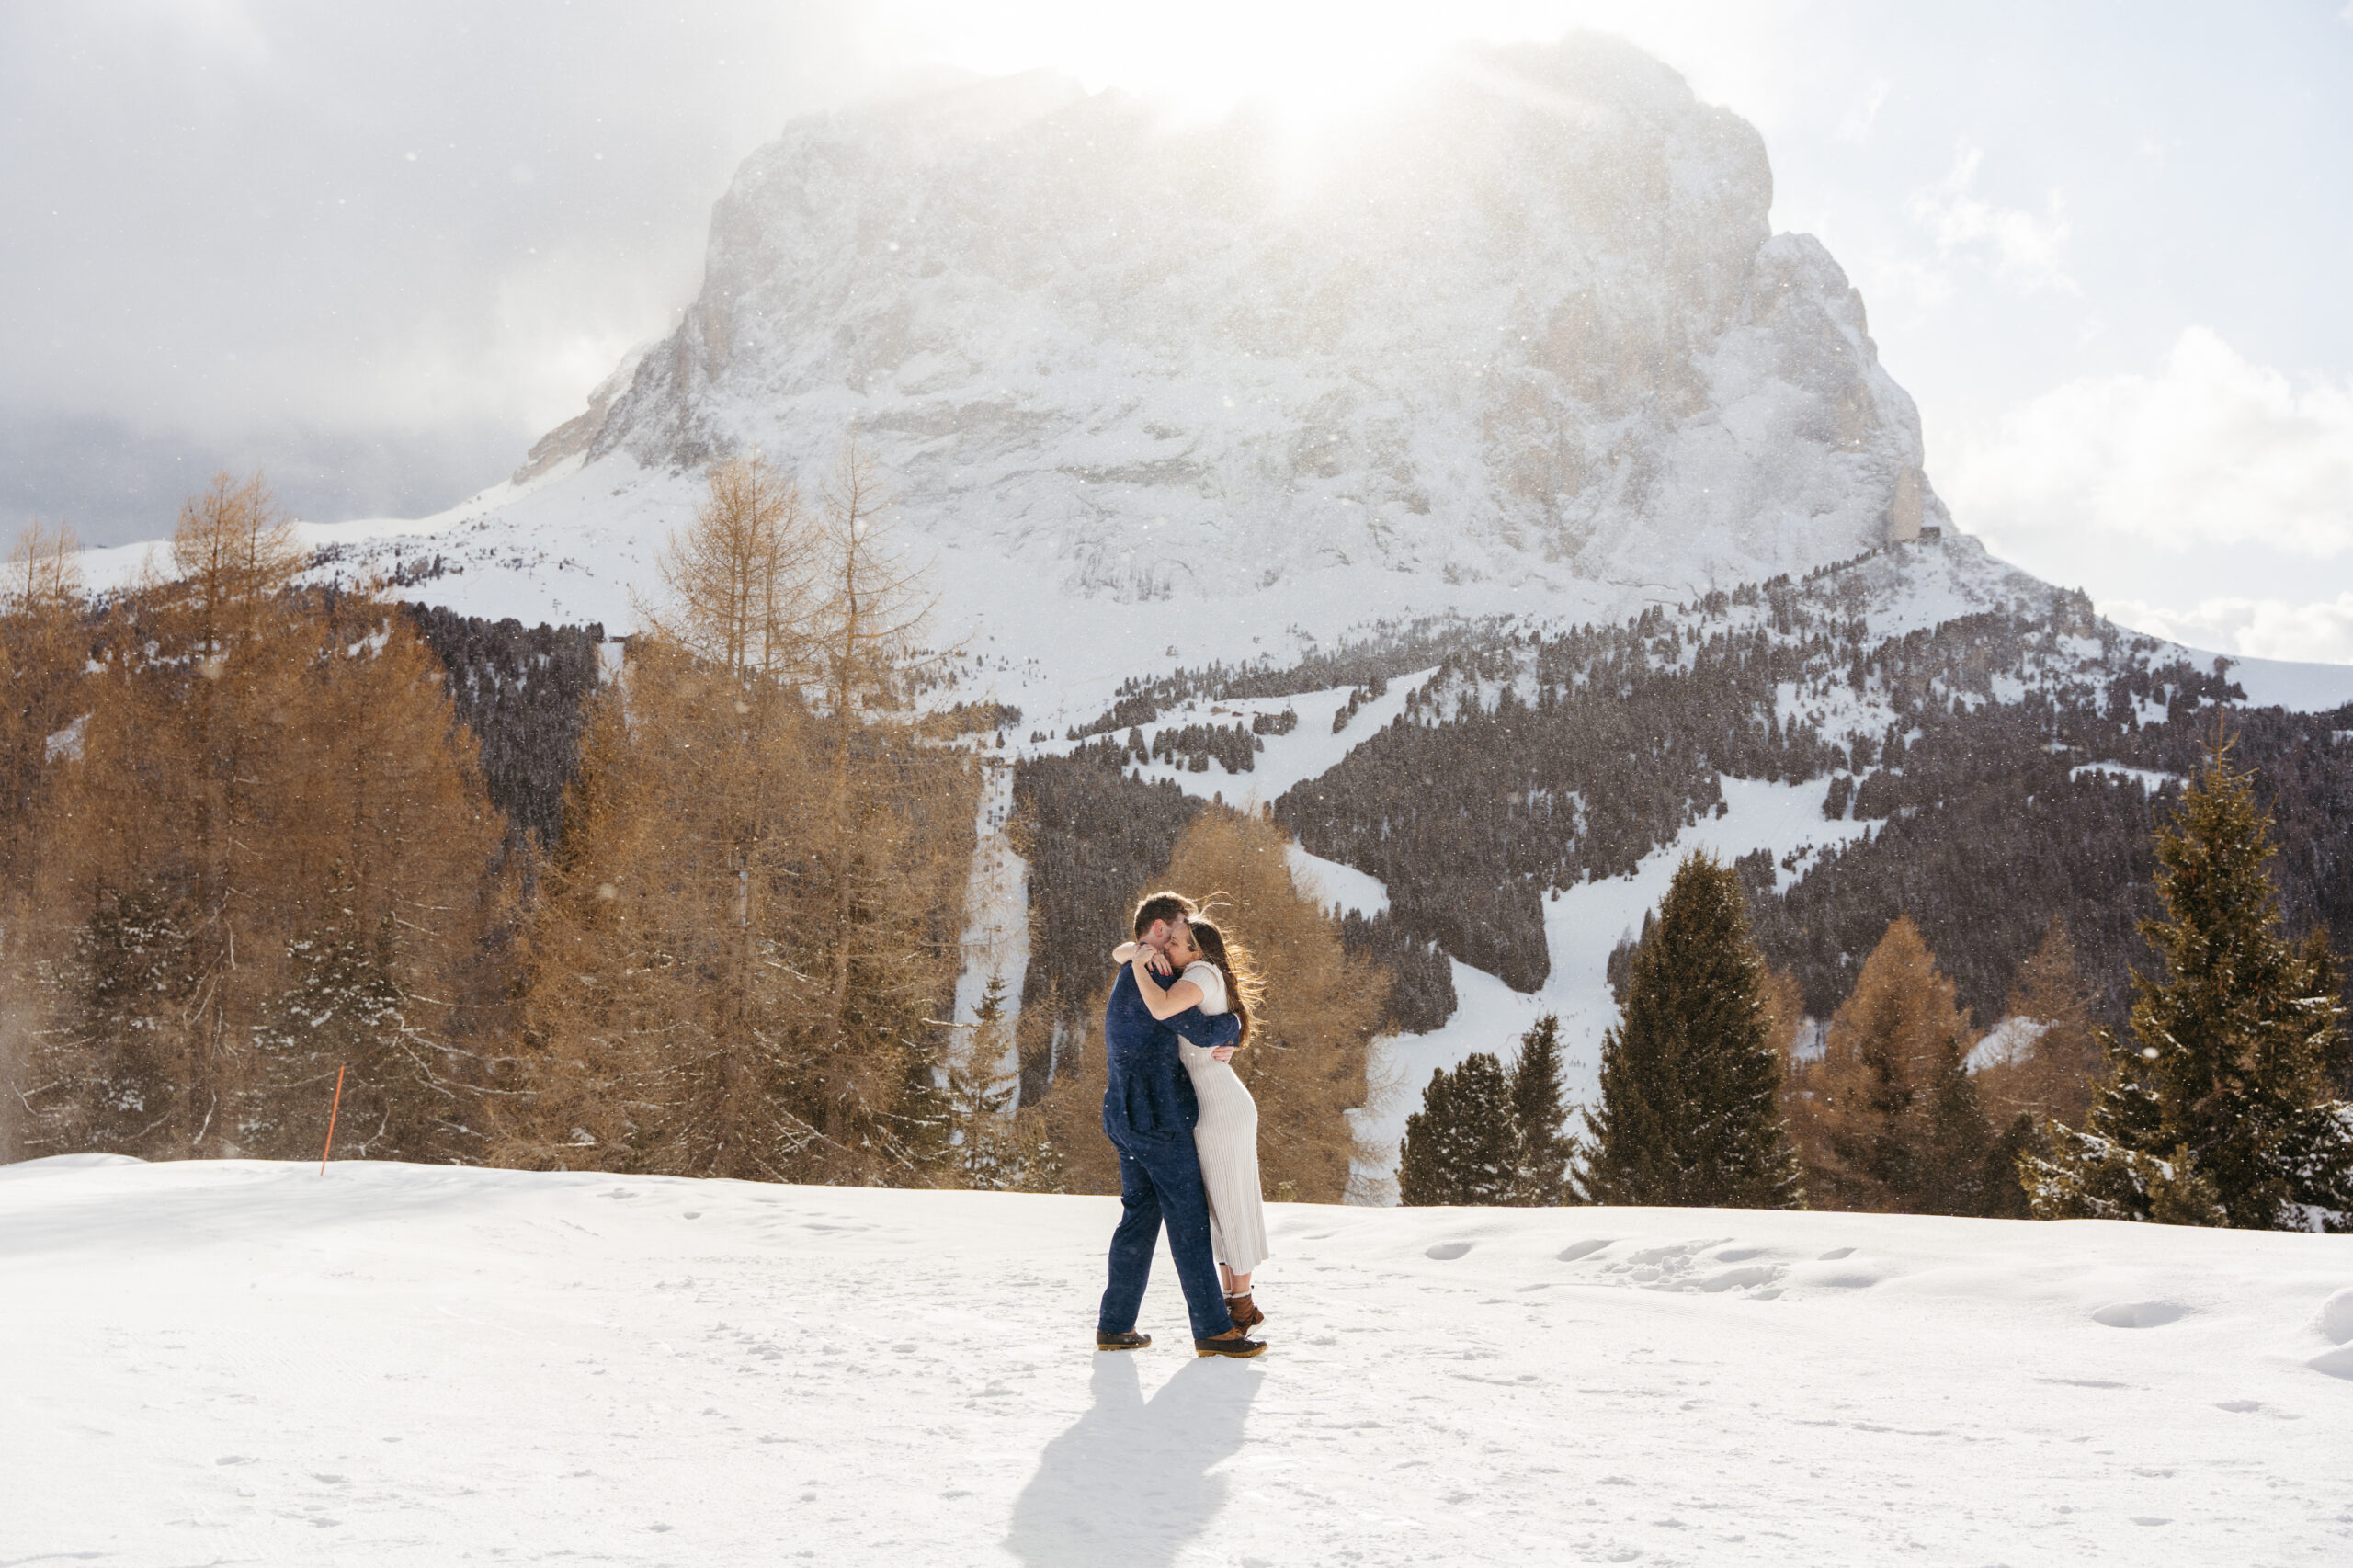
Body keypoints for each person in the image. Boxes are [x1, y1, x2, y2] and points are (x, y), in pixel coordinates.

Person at [1096, 892, 1267, 1359]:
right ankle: (1214, 1329)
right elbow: (1197, 1027)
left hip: (1122, 1113)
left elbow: (1127, 955)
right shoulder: (1154, 971)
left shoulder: (1130, 966)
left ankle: (1115, 1323)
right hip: (1157, 1116)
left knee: (1140, 1215)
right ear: (1157, 931)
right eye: (1175, 932)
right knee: (1188, 1220)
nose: (1179, 940)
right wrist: (1231, 1024)